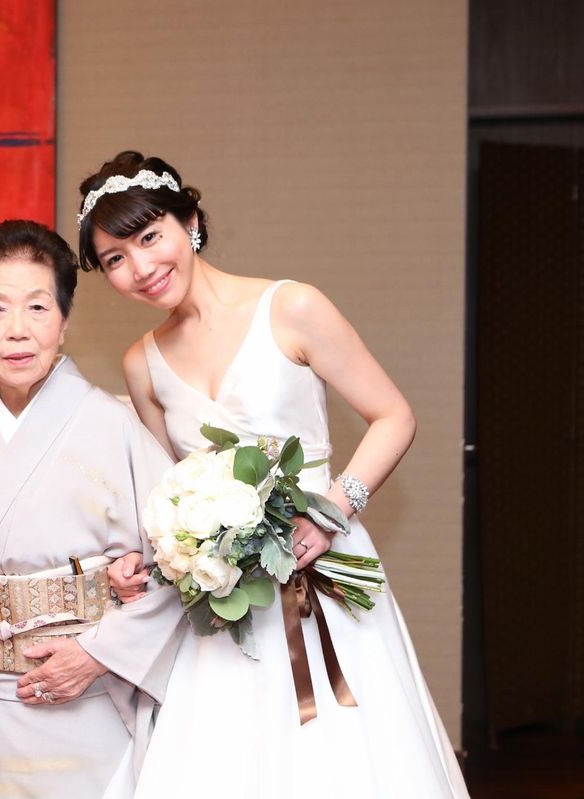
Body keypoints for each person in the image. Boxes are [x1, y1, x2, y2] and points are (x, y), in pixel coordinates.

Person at [78, 151, 470, 797]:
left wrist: (333, 511)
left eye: (149, 237)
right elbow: (169, 494)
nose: (141, 268)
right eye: (115, 258)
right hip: (229, 601)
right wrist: (145, 559)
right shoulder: (140, 363)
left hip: (326, 572)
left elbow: (394, 416)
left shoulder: (291, 307)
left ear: (190, 222)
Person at [0, 220, 186, 799]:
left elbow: (181, 567)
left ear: (64, 319)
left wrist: (99, 653)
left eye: (38, 307)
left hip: (83, 699)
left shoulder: (115, 426)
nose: (19, 330)